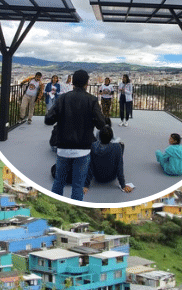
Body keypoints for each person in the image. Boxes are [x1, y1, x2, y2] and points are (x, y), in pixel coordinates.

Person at [45, 69, 106, 201]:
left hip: (63, 147)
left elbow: (48, 120)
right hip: (83, 149)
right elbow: (101, 124)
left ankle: (56, 209)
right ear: (87, 83)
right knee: (78, 186)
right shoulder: (92, 100)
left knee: (58, 183)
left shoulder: (63, 98)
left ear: (72, 82)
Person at [84, 125, 132, 194]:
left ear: (99, 136)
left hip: (97, 177)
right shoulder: (117, 147)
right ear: (112, 137)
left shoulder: (93, 146)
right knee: (121, 146)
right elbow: (119, 167)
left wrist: (86, 185)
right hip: (111, 177)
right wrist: (123, 185)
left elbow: (90, 166)